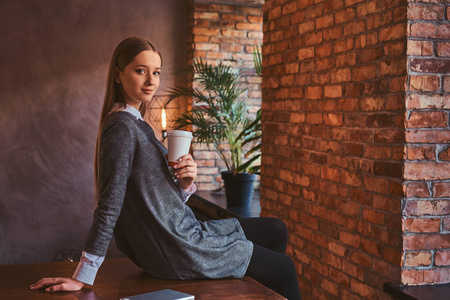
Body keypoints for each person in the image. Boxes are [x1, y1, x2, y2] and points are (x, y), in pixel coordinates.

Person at [30, 37, 301, 300]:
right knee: (284, 267)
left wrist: (184, 185)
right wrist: (83, 275)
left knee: (275, 229)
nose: (151, 81)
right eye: (140, 71)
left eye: (156, 72)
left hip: (183, 232)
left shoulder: (138, 124)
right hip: (177, 246)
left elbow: (154, 198)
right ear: (117, 75)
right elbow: (110, 204)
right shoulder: (122, 128)